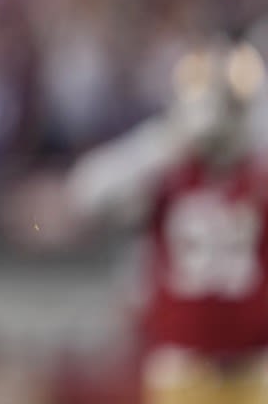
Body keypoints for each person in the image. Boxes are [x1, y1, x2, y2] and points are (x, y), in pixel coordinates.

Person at [66, 33, 268, 404]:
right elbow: (87, 191)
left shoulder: (257, 171)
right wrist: (170, 139)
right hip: (183, 368)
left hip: (255, 366)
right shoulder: (165, 168)